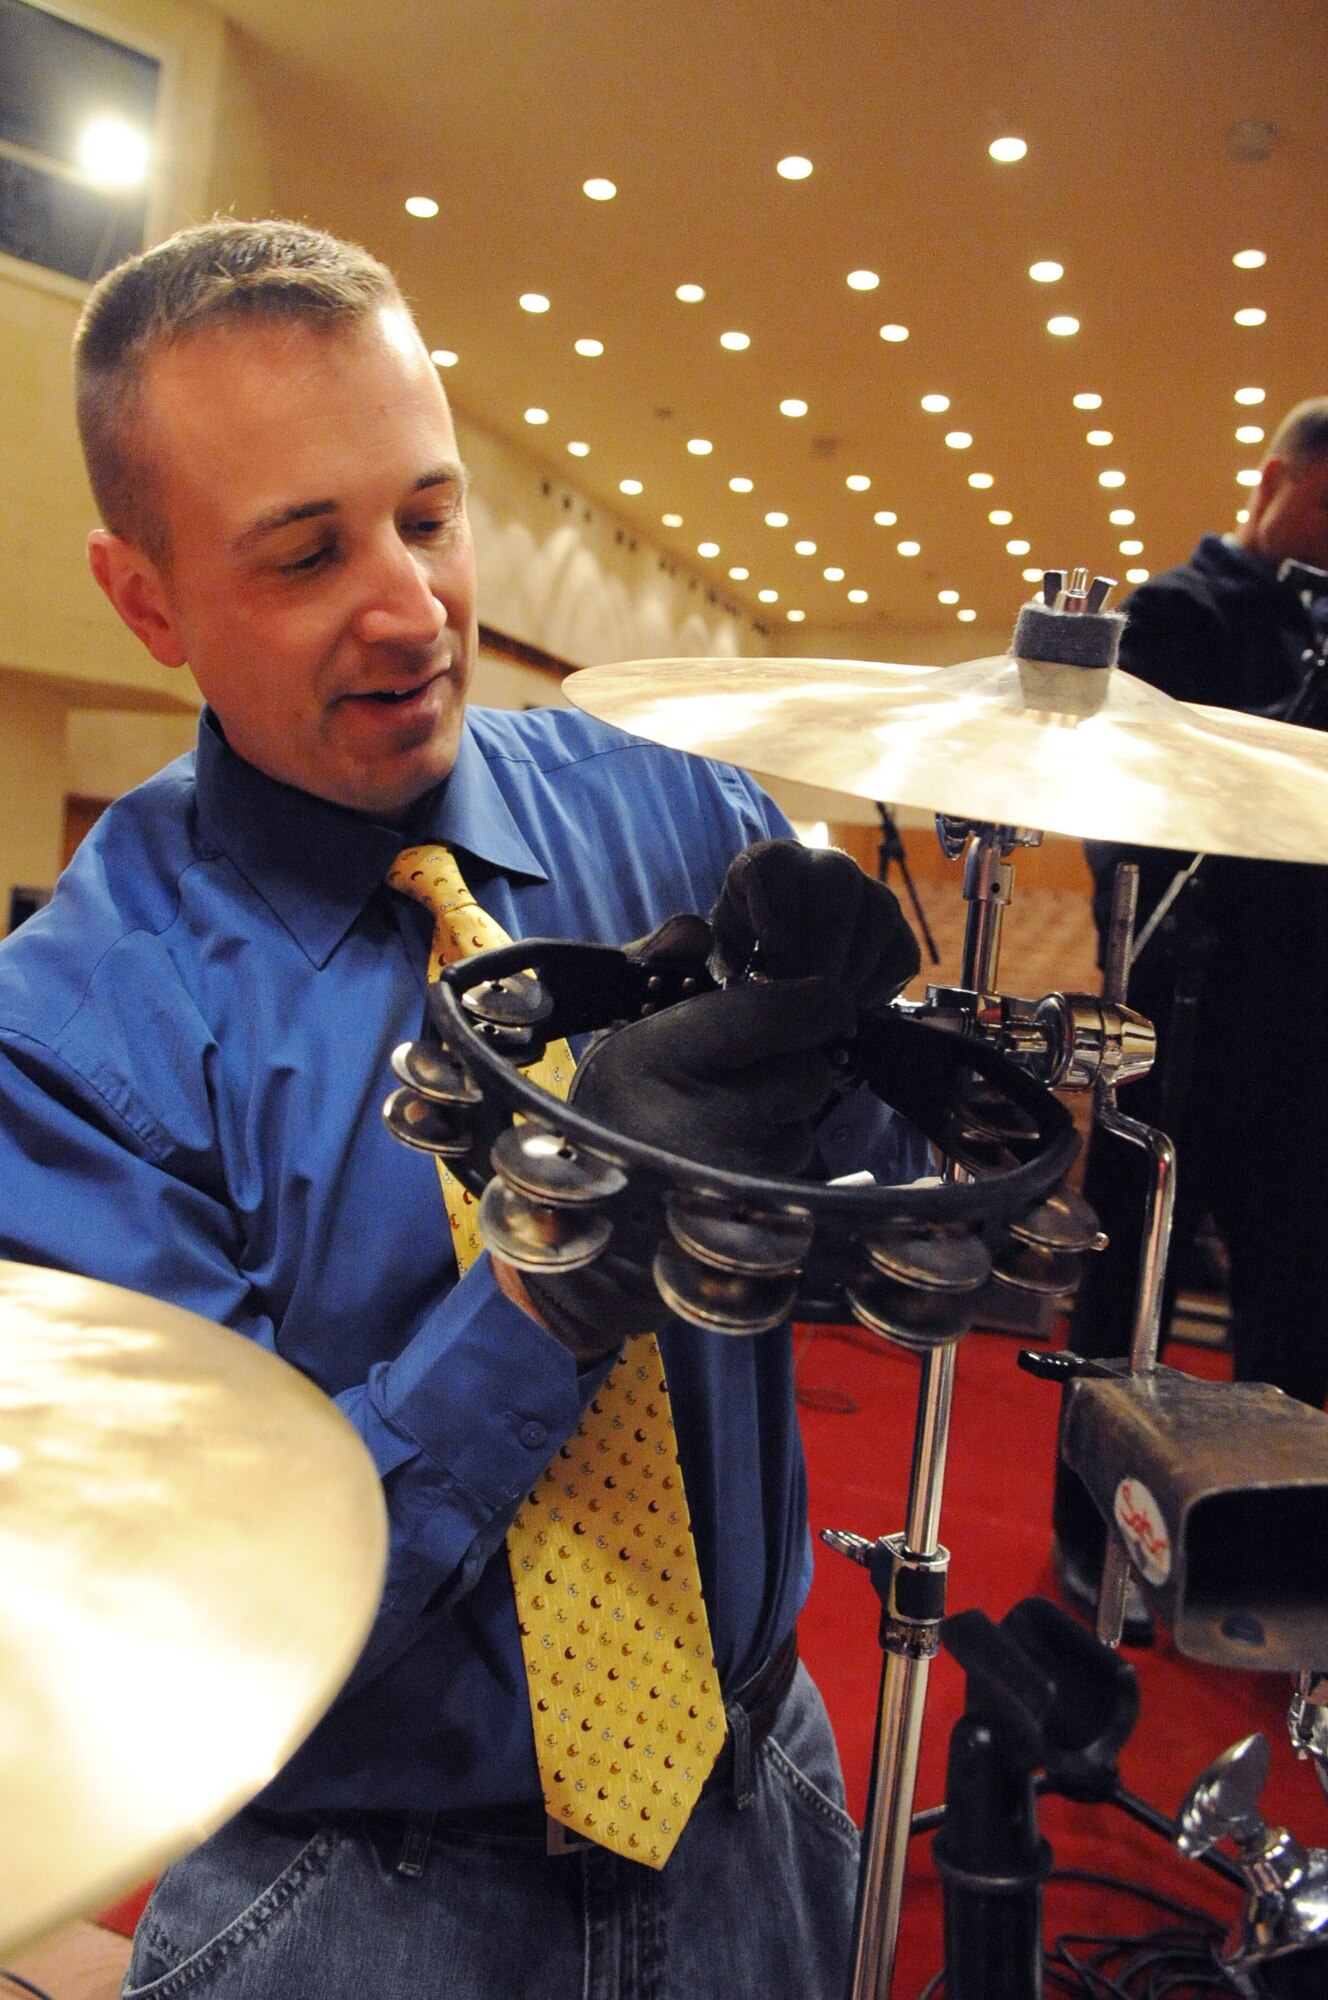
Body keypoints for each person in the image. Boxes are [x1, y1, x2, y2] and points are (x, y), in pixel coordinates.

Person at [0, 220, 928, 1999]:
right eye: (305, 552)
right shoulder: (67, 1039)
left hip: (755, 1804)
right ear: (148, 601)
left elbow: (860, 1228)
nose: (413, 608)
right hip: (360, 1902)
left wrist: (859, 1075)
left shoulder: (673, 812)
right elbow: (182, 1620)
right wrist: (551, 1272)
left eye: (427, 516)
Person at [1052, 397, 1328, 1637]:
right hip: (1183, 1013)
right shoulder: (1178, 615)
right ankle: (1090, 1533)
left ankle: (1256, 1552)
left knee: (1295, 1299)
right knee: (1131, 1294)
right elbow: (1123, 809)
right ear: (1274, 482)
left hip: (1305, 1028)